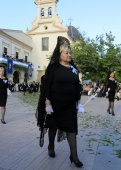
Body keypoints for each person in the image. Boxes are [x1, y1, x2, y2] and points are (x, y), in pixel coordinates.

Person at [36, 36, 83, 167]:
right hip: (55, 105)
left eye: (70, 52)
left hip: (69, 106)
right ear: (60, 54)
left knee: (71, 129)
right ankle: (51, 146)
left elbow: (77, 85)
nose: (69, 55)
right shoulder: (53, 68)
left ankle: (74, 155)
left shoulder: (74, 68)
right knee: (53, 127)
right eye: (66, 53)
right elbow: (47, 87)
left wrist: (78, 102)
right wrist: (47, 103)